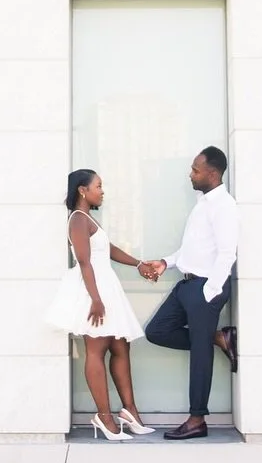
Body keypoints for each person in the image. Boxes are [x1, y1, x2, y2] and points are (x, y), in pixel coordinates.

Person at [44, 169, 158, 441]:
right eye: (98, 186)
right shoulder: (78, 220)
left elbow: (109, 251)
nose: (102, 190)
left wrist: (139, 264)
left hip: (106, 286)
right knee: (96, 348)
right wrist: (95, 299)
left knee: (120, 346)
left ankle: (129, 411)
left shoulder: (88, 219)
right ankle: (104, 418)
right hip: (93, 289)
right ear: (83, 190)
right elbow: (84, 261)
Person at [139, 146, 240, 441]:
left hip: (206, 287)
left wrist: (210, 292)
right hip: (187, 284)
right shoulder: (202, 204)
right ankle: (219, 338)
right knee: (157, 331)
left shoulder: (224, 206)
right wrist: (166, 262)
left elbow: (226, 254)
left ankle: (197, 419)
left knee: (199, 354)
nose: (190, 174)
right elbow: (193, 250)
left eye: (195, 170)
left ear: (212, 173)